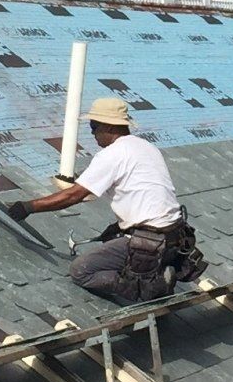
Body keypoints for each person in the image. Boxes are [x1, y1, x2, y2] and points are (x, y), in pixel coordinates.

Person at [11, 94, 203, 300]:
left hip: (151, 242)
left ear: (110, 127)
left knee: (81, 271)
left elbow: (73, 195)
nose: (92, 133)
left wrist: (28, 207)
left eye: (94, 126)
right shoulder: (147, 147)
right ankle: (158, 270)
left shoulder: (113, 154)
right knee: (113, 240)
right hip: (175, 237)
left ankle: (153, 284)